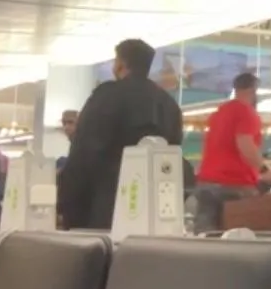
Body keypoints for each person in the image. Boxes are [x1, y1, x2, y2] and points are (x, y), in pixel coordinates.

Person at [59, 39, 183, 230]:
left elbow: (84, 151)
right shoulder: (169, 105)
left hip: (105, 205)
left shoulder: (107, 96)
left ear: (120, 65)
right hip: (156, 209)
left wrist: (66, 200)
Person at [193, 73, 271, 232]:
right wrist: (265, 170)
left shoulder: (219, 112)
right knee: (237, 237)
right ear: (254, 90)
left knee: (205, 236)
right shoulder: (247, 112)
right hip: (235, 184)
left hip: (207, 181)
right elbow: (245, 144)